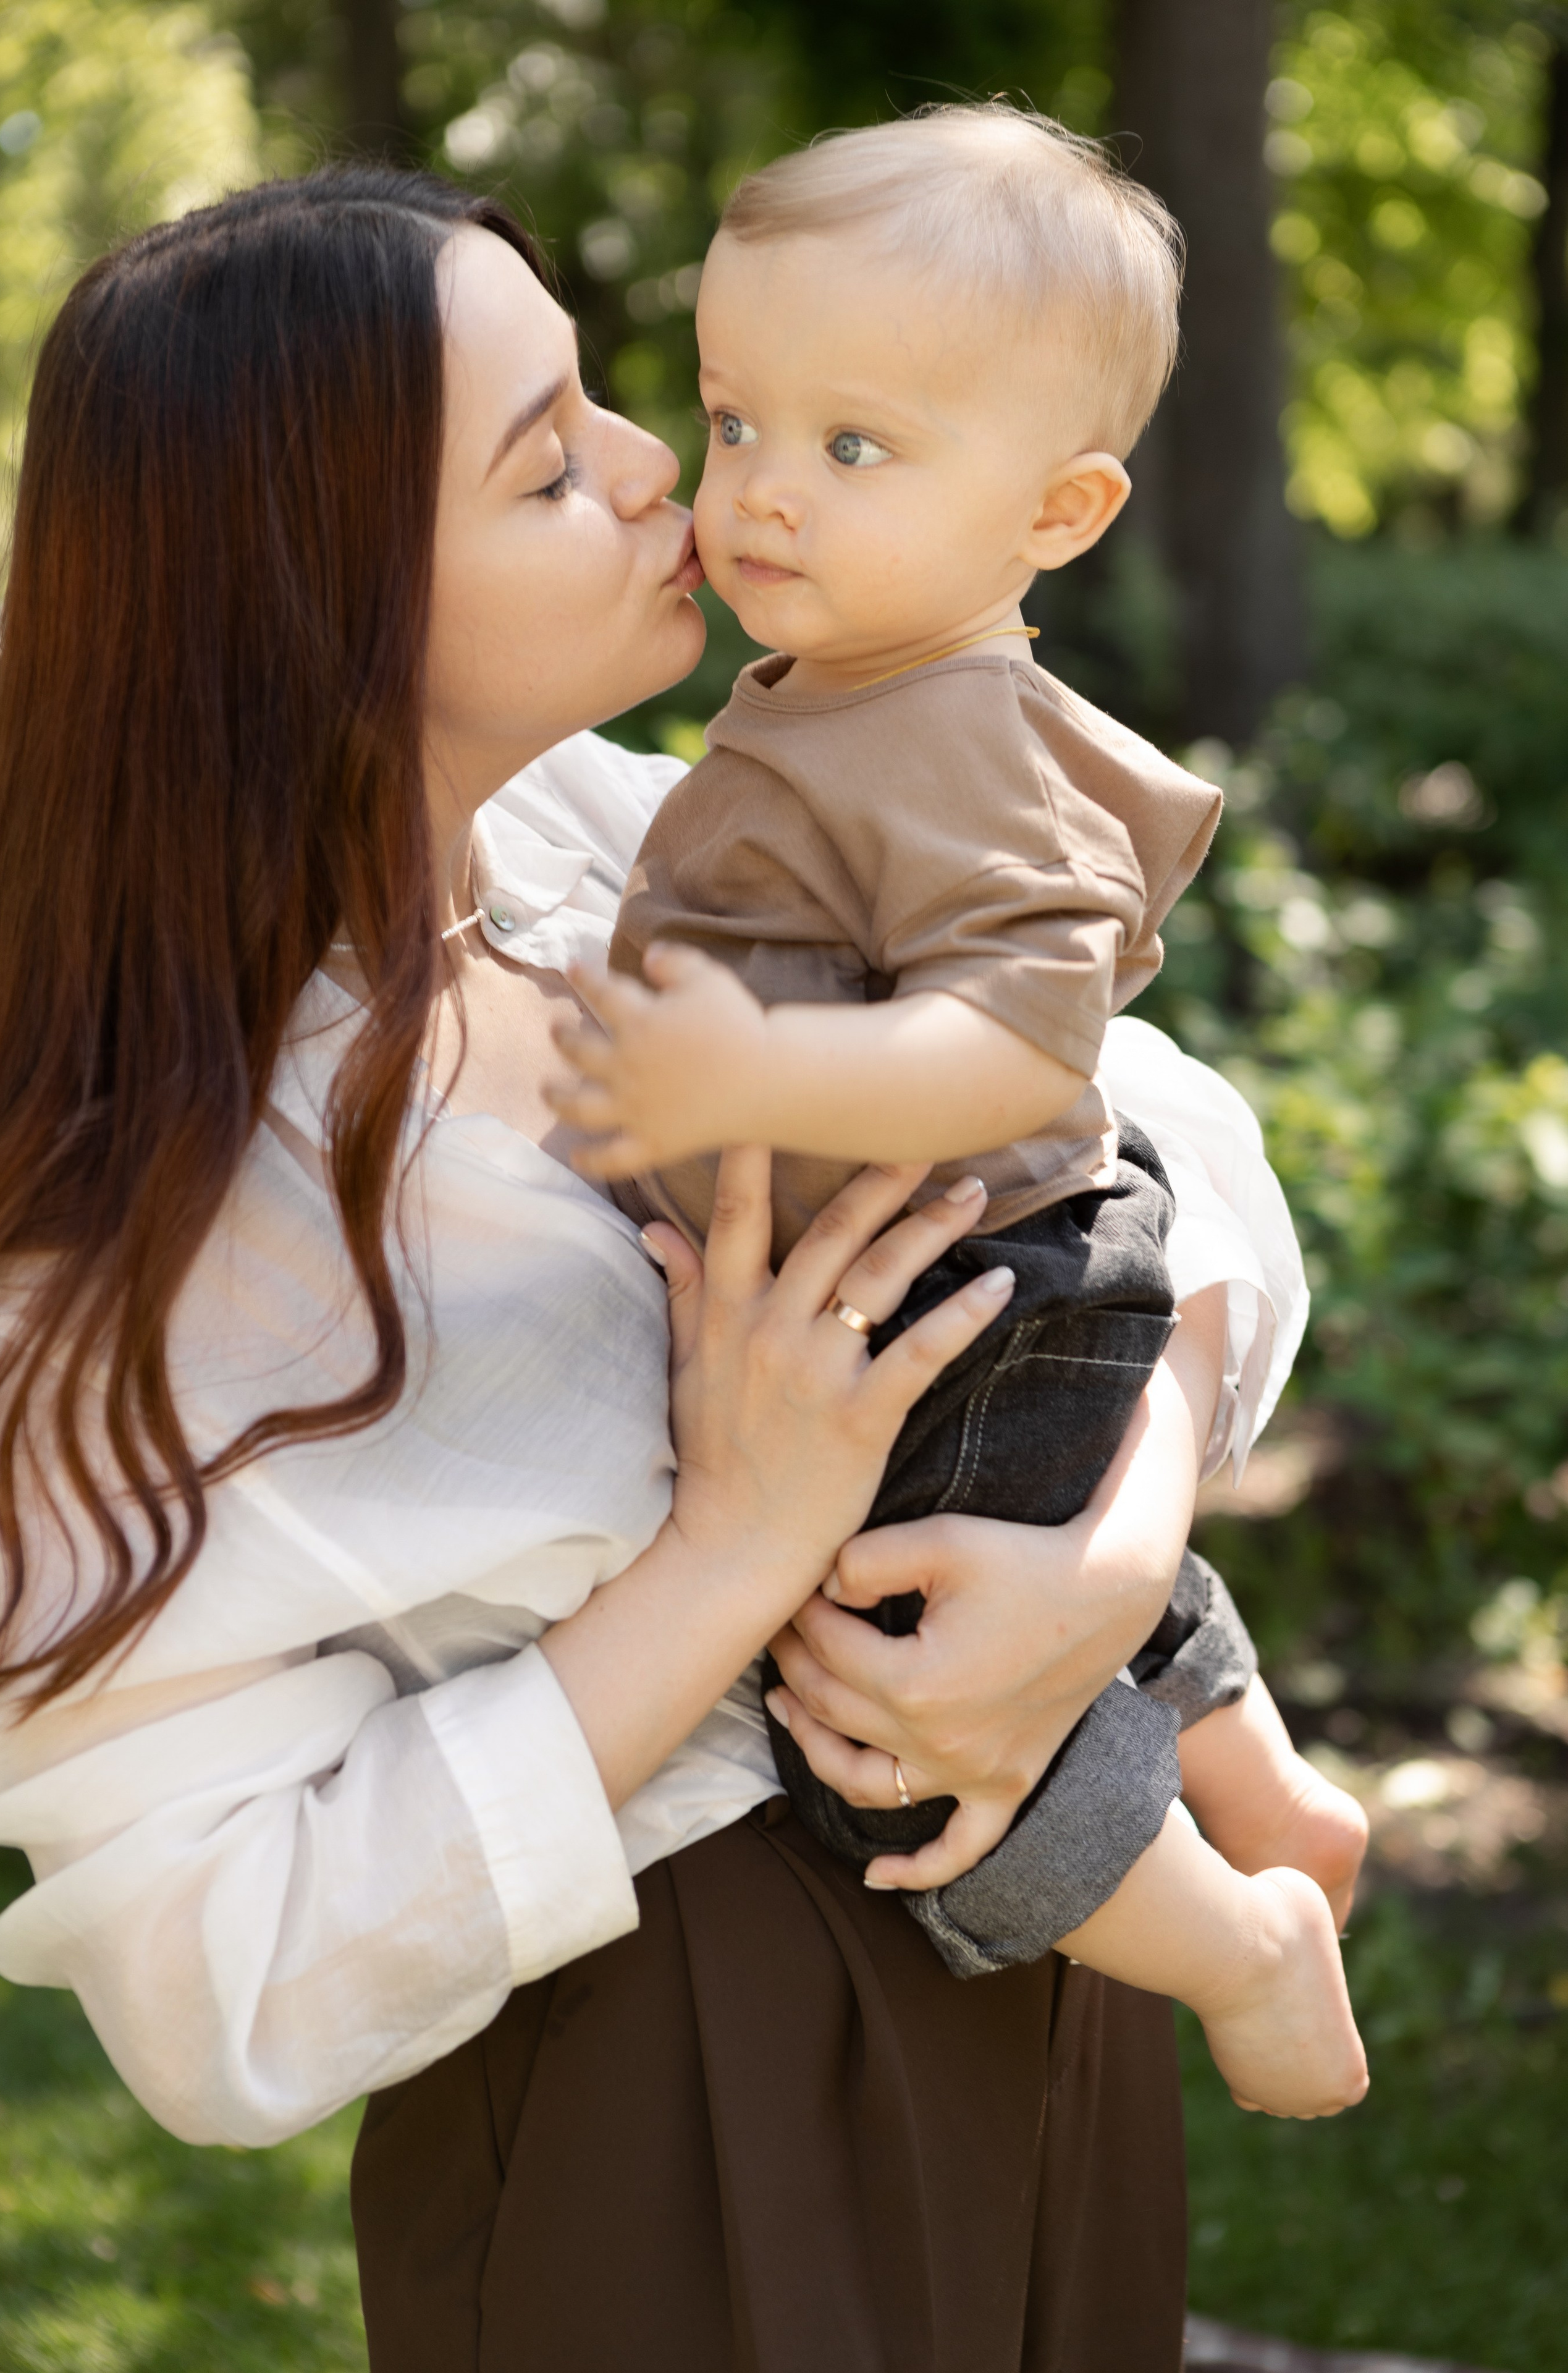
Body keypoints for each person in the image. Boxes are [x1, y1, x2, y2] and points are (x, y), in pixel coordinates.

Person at [0, 166, 1359, 2373]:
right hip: (671, 2054)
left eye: (618, 405)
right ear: (312, 602)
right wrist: (732, 1554)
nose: (668, 475)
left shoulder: (620, 835)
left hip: (1058, 1913)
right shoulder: (123, 1224)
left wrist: (1115, 1547)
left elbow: (1167, 1127)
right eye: (551, 464)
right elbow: (225, 1974)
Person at [552, 106, 1367, 2118]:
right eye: (740, 422)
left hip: (969, 1277)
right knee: (1023, 1560)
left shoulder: (953, 736)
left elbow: (1026, 1045)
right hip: (974, 1287)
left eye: (856, 448)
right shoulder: (860, 686)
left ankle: (1235, 1939)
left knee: (891, 1717)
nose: (759, 495)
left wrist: (754, 1071)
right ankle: (1275, 1795)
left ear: (1061, 514)